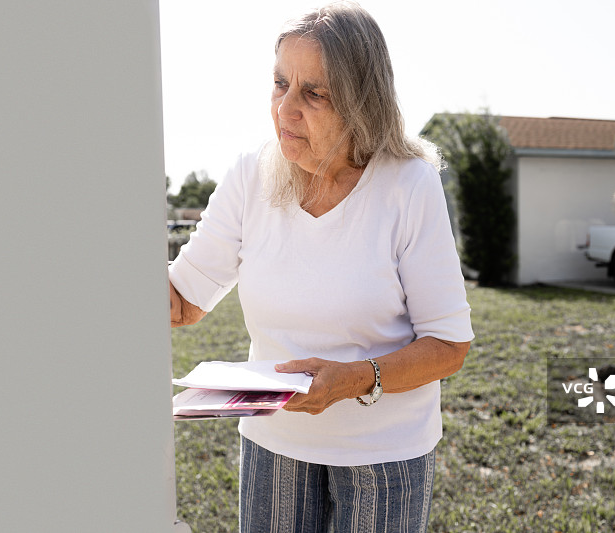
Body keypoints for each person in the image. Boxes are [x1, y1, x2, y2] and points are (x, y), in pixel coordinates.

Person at [168, 3, 473, 532]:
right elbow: (184, 301)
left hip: (385, 457)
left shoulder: (409, 184)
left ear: (361, 104)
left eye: (313, 93)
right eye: (280, 83)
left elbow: (448, 346)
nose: (285, 109)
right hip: (274, 445)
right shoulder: (251, 174)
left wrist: (352, 379)